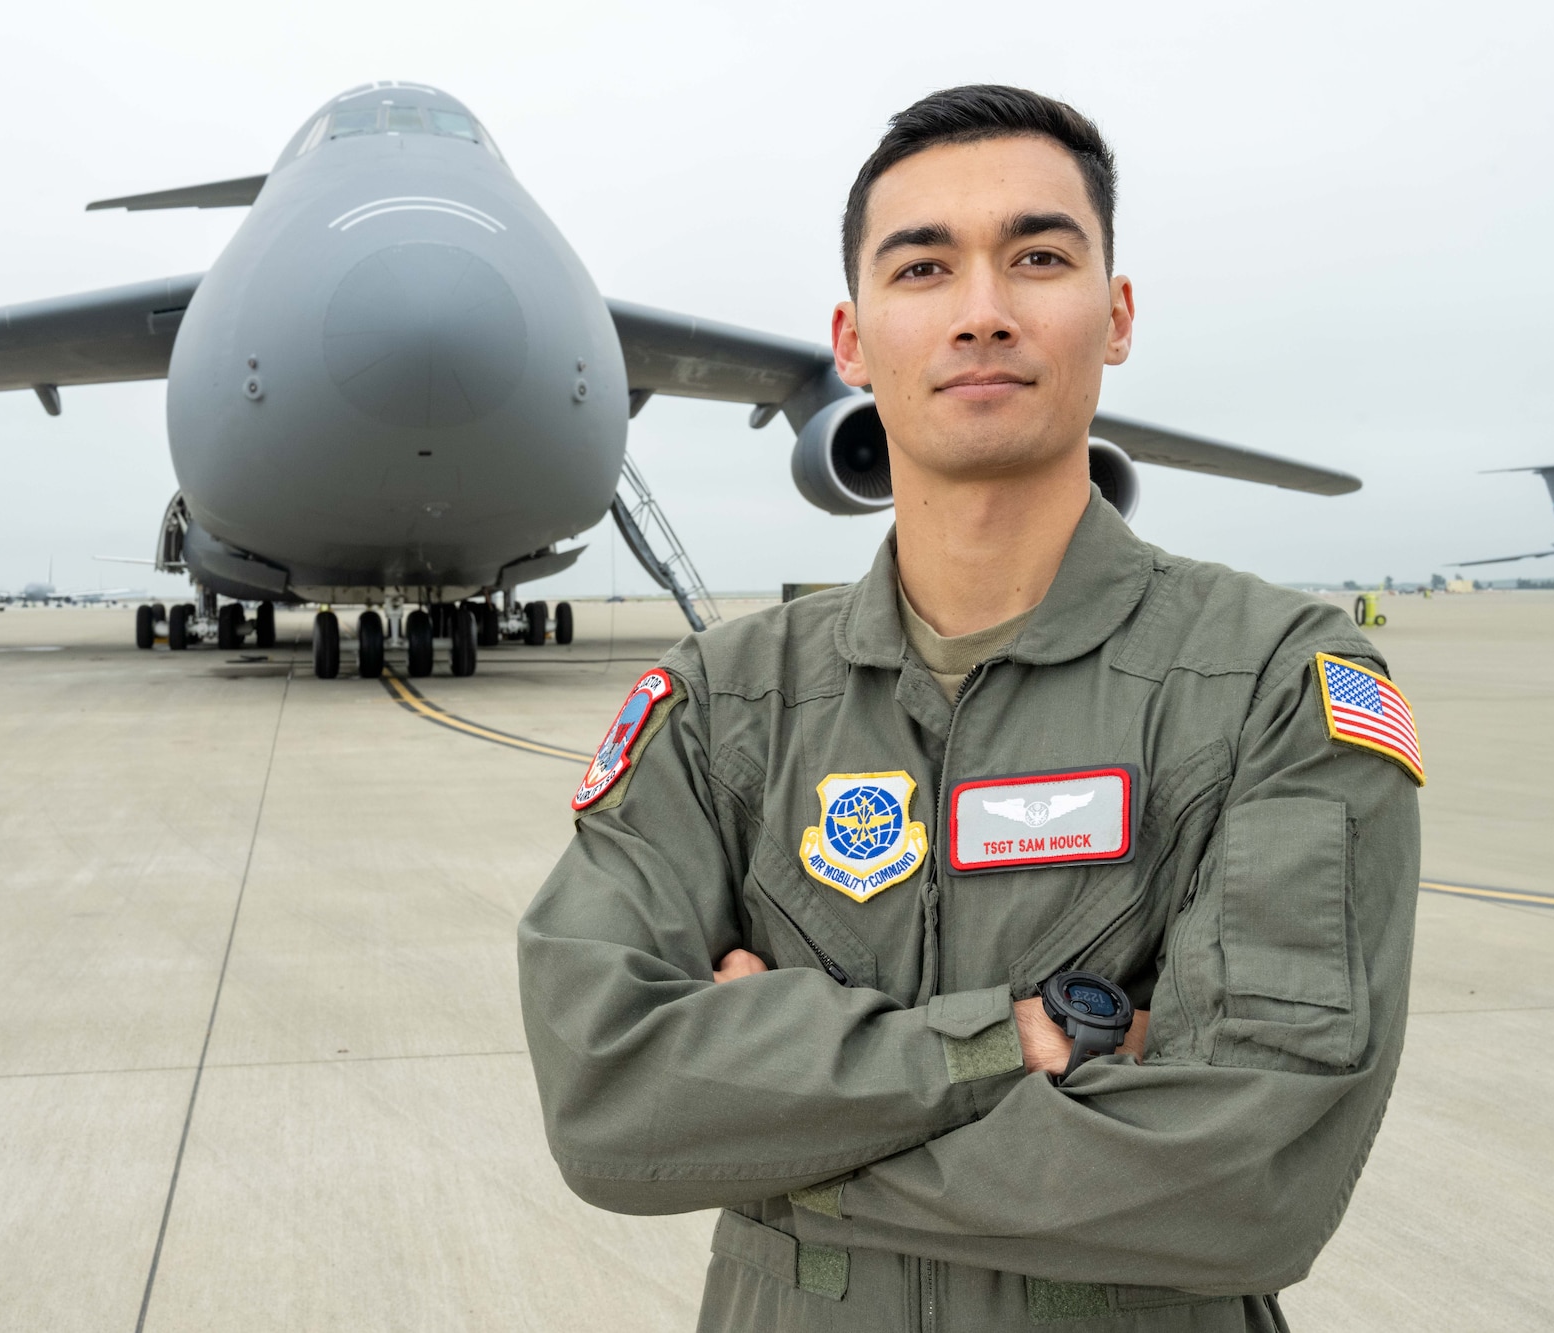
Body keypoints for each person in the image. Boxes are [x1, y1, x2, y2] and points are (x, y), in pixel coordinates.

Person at [517, 85, 1420, 1331]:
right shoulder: (727, 702)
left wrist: (779, 1151)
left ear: (1113, 316)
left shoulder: (1275, 681)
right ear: (849, 338)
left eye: (1037, 258)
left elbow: (1246, 1182)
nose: (983, 312)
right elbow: (607, 1102)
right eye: (924, 267)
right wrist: (1014, 1043)